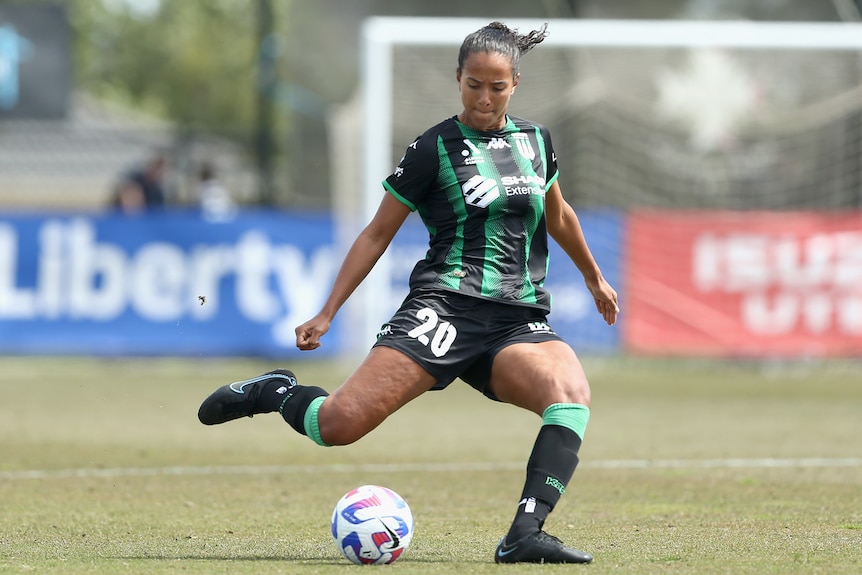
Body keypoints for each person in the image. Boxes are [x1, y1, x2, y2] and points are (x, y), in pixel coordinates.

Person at [198, 21, 619, 564]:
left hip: (517, 319)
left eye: (497, 86)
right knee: (338, 426)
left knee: (569, 394)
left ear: (516, 81)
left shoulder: (536, 141)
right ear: (458, 79)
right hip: (445, 307)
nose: (484, 97)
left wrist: (593, 276)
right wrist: (328, 312)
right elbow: (377, 233)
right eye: (473, 84)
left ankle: (524, 534)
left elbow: (558, 215)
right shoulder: (432, 148)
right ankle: (273, 391)